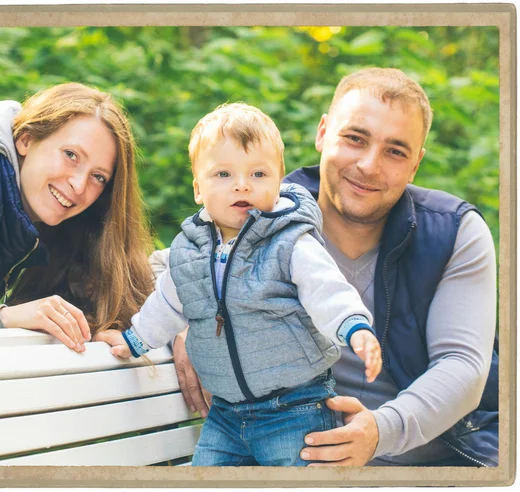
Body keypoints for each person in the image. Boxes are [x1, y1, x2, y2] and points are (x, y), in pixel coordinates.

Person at [131, 68, 498, 467]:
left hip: (429, 465)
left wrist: (379, 431)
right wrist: (194, 321)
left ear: (415, 165)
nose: (369, 165)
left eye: (396, 151)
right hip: (288, 451)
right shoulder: (258, 210)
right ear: (323, 133)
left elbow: (462, 367)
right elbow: (165, 266)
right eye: (355, 138)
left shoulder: (453, 232)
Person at [102, 103, 384, 467]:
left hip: (295, 408)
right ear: (198, 189)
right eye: (222, 174)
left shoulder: (290, 243)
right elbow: (168, 304)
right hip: (225, 415)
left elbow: (325, 289)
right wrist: (134, 341)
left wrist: (354, 326)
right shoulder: (189, 253)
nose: (241, 184)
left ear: (279, 184)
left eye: (258, 174)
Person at [0, 83, 154, 351]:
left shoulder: (37, 220)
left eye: (98, 177)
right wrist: (5, 318)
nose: (79, 185)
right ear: (26, 139)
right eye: (71, 155)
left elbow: (136, 282)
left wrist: (175, 331)